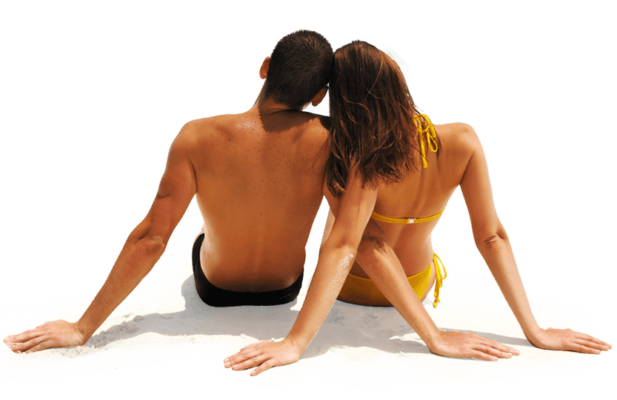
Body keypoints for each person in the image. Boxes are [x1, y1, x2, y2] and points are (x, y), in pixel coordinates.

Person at [222, 39, 612, 376]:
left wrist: (295, 343)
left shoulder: (360, 156)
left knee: (348, 223)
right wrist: (535, 331)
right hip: (418, 283)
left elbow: (357, 245)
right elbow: (492, 237)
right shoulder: (462, 140)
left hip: (356, 287)